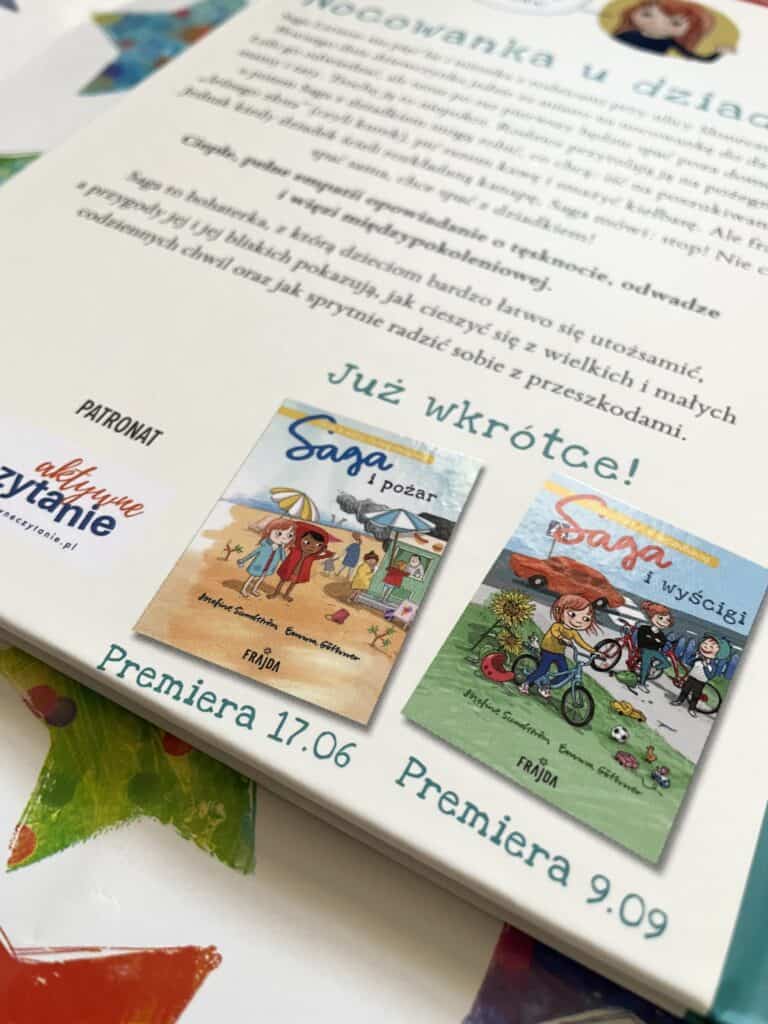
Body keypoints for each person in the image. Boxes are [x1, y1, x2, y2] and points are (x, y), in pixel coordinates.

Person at [520, 594, 599, 700]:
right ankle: (526, 683)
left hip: (559, 653)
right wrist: (562, 638)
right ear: (560, 611)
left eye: (585, 618)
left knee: (564, 673)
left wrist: (594, 651)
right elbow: (555, 632)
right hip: (548, 650)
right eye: (572, 614)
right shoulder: (557, 626)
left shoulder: (573, 632)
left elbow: (581, 643)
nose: (578, 621)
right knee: (543, 670)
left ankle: (545, 686)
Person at [611, 0, 733, 60]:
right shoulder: (627, 34)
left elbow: (695, 58)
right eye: (647, 14)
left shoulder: (669, 42)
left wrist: (718, 53)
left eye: (675, 23)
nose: (656, 23)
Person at [268, 524, 334, 603]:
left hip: (299, 574)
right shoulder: (295, 550)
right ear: (300, 540)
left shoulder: (312, 556)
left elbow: (327, 555)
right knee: (282, 582)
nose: (312, 547)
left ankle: (286, 595)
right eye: (307, 542)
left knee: (292, 584)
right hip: (288, 571)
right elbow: (290, 543)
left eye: (318, 545)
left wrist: (324, 550)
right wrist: (294, 539)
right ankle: (275, 593)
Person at [672, 634, 729, 718]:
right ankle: (679, 700)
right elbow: (689, 662)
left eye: (711, 646)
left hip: (701, 681)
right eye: (705, 644)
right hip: (692, 677)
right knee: (685, 690)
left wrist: (705, 666)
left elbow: (710, 676)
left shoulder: (712, 665)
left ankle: (692, 708)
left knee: (696, 695)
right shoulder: (698, 657)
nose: (706, 647)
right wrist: (695, 657)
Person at [237, 518, 295, 599]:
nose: (284, 538)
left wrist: (282, 548)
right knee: (252, 578)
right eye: (279, 533)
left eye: (289, 535)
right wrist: (243, 560)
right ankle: (244, 590)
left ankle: (254, 589)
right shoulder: (265, 546)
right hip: (258, 566)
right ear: (269, 531)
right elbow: (253, 553)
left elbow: (283, 559)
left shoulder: (280, 549)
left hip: (269, 567)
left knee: (261, 578)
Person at [635, 601, 674, 693]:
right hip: (646, 650)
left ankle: (654, 668)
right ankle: (641, 683)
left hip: (655, 651)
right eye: (660, 618)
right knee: (646, 666)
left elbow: (662, 643)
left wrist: (654, 640)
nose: (664, 622)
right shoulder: (644, 628)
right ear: (652, 616)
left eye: (667, 620)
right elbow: (642, 641)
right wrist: (655, 640)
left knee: (667, 663)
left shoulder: (660, 633)